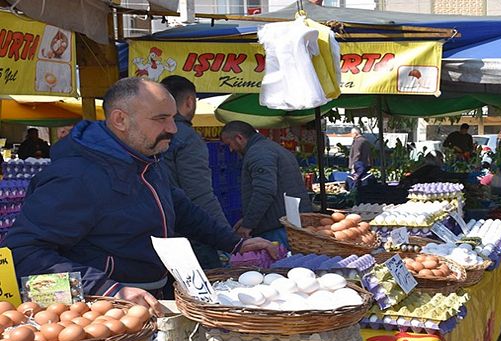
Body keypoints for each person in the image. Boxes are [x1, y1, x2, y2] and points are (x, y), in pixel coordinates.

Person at [5, 78, 277, 314]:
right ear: (120, 120)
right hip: (102, 311)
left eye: (172, 117)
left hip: (151, 298)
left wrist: (235, 244)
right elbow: (25, 252)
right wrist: (109, 290)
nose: (173, 128)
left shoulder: (145, 161)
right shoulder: (75, 176)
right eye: (161, 119)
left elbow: (180, 208)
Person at [160, 75, 230, 269]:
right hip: (189, 235)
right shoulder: (186, 137)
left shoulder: (150, 134)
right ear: (189, 102)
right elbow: (199, 194)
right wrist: (230, 238)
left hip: (161, 231)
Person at [219, 121, 310, 247]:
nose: (231, 149)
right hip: (289, 223)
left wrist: (248, 224)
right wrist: (247, 218)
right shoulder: (272, 148)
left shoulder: (258, 153)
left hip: (277, 228)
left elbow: (264, 191)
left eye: (229, 144)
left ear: (239, 138)